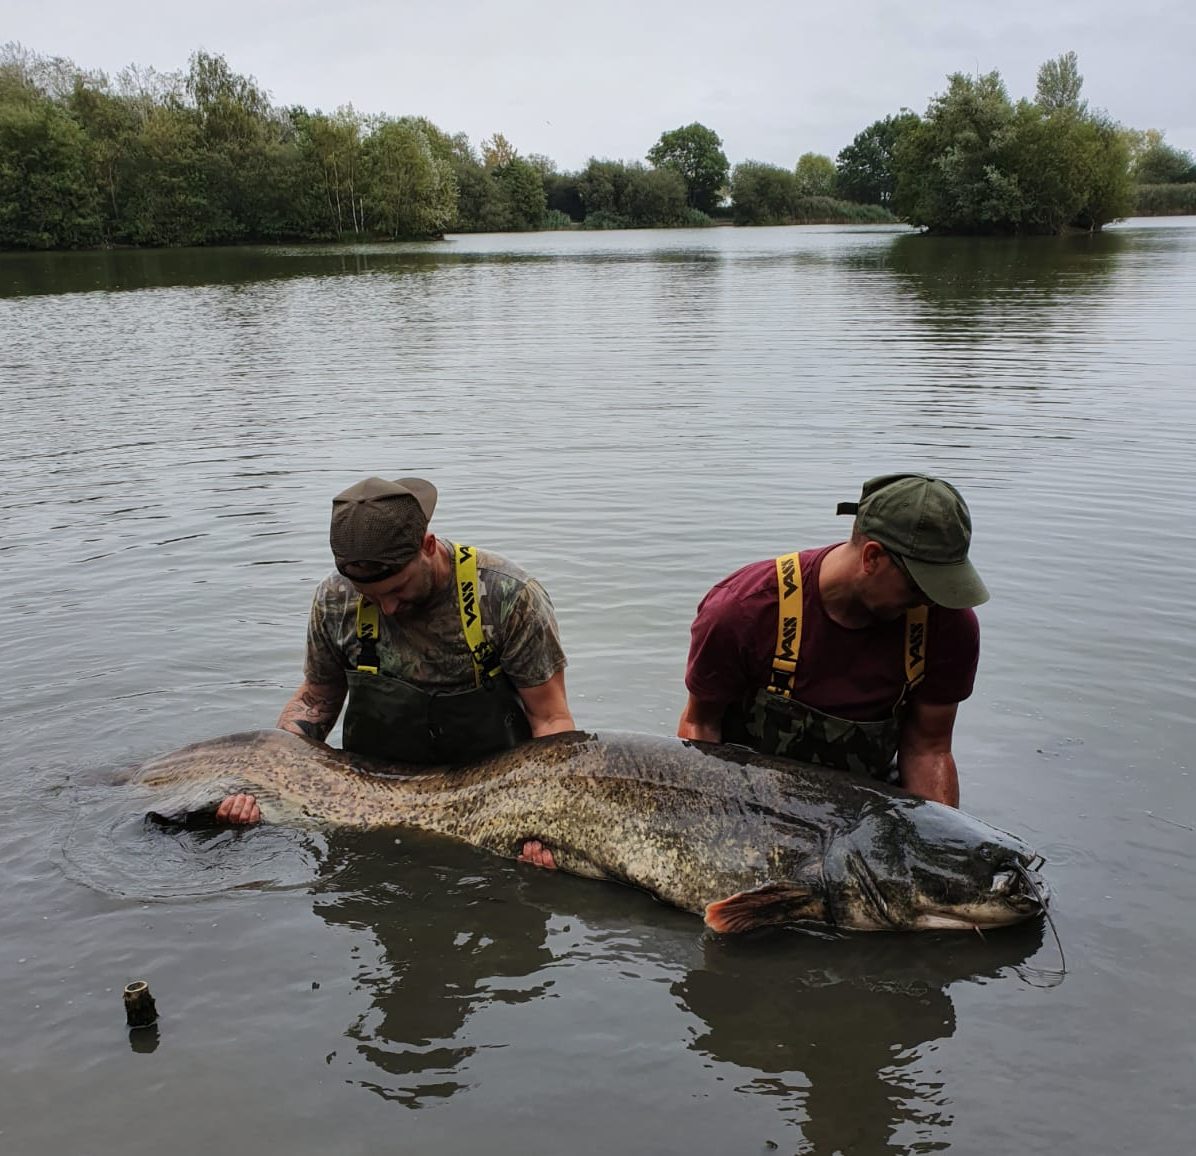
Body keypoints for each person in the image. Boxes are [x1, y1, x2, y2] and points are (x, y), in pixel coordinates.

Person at [218, 476, 575, 827]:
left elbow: (550, 719)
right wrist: (264, 780)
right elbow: (317, 699)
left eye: (398, 589)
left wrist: (546, 822)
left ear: (428, 545)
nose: (387, 608)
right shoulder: (335, 597)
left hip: (491, 799)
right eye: (370, 596)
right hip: (367, 799)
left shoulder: (508, 596)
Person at [676, 473, 989, 806]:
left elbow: (929, 748)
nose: (929, 601)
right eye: (918, 587)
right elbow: (701, 727)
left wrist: (939, 851)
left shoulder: (947, 624)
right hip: (750, 800)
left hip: (863, 810)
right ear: (872, 557)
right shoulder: (743, 610)